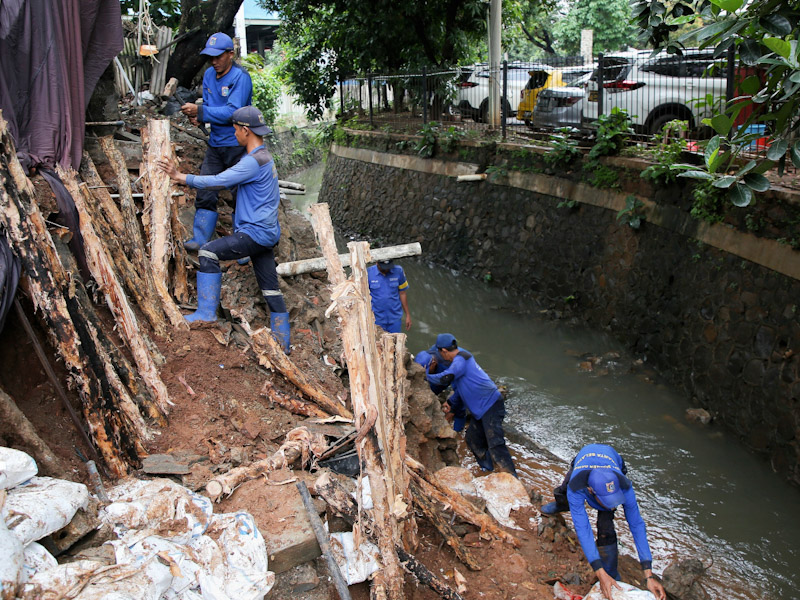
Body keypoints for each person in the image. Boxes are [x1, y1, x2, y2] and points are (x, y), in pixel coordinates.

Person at [157, 106, 290, 353]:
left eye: (235, 129)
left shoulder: (252, 162)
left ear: (244, 130)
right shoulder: (266, 157)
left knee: (208, 252)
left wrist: (181, 177)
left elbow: (219, 180)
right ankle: (284, 342)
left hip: (255, 233)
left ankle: (206, 314)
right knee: (270, 288)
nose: (234, 134)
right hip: (268, 234)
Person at [540, 443, 666, 600]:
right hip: (584, 457)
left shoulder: (624, 485)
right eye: (609, 501)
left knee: (606, 527)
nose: (614, 505)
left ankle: (611, 572)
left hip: (611, 459)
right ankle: (560, 505)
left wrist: (649, 574)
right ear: (591, 491)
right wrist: (598, 571)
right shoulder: (577, 486)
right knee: (564, 491)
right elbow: (583, 528)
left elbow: (637, 525)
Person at [180, 32, 253, 252]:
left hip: (238, 144)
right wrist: (198, 116)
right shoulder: (210, 76)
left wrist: (201, 111)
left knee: (240, 195)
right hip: (216, 143)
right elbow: (211, 108)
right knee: (206, 188)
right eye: (210, 57)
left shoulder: (241, 78)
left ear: (230, 54)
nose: (214, 62)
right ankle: (200, 238)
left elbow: (233, 112)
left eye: (218, 57)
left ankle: (243, 244)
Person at [426, 333, 517, 476]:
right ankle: (489, 470)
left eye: (439, 353)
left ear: (443, 351)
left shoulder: (461, 359)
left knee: (495, 443)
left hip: (491, 404)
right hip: (481, 409)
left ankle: (512, 478)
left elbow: (446, 377)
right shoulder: (462, 359)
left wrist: (425, 375)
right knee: (473, 440)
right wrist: (450, 401)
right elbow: (464, 387)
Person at [367, 259, 411, 333]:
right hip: (376, 318)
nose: (386, 269)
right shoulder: (368, 273)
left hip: (394, 318)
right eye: (383, 267)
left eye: (388, 267)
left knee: (395, 342)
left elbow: (402, 293)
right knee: (378, 342)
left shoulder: (398, 271)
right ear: (377, 263)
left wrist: (408, 315)